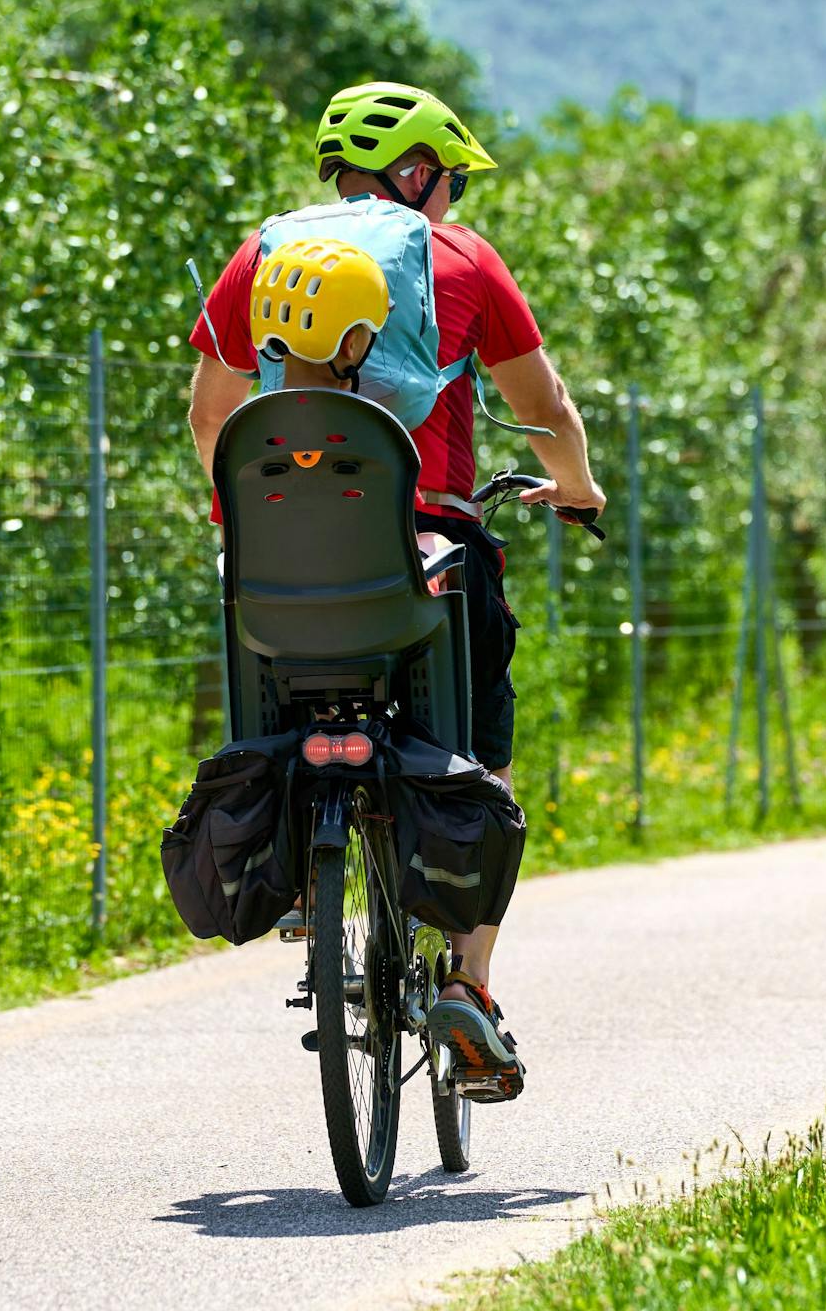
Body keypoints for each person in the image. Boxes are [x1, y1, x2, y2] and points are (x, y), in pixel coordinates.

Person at [188, 80, 607, 1101]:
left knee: (273, 699)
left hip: (277, 566)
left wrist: (253, 517)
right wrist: (578, 484)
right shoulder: (460, 259)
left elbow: (211, 418)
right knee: (481, 755)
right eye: (448, 182)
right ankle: (468, 979)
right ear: (417, 174)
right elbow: (539, 402)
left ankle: (293, 862)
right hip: (428, 558)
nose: (451, 202)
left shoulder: (261, 254)